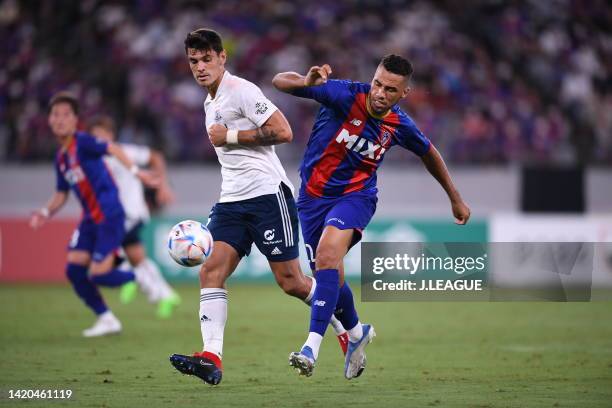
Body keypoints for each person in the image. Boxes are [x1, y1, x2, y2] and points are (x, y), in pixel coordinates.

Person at [272, 54, 471, 378]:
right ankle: (356, 333)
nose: (380, 93)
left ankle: (311, 347)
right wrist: (306, 82)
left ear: (403, 93)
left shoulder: (399, 124)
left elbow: (429, 153)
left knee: (326, 256)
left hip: (356, 197)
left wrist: (455, 198)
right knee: (330, 275)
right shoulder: (343, 94)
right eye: (378, 83)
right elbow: (280, 82)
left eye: (391, 89)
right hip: (311, 199)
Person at [168, 28, 347, 386]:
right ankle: (211, 357)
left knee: (292, 282)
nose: (200, 67)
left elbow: (283, 131)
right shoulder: (210, 102)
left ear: (222, 58)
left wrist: (230, 136)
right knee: (210, 272)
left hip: (268, 196)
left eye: (207, 59)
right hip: (231, 200)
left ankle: (348, 328)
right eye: (193, 61)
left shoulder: (242, 91)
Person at [30, 92, 158, 337]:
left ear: (75, 120)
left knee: (98, 275)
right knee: (74, 271)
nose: (60, 120)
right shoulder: (61, 159)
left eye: (66, 115)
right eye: (55, 115)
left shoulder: (84, 142)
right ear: (49, 120)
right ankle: (107, 319)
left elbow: (112, 147)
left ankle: (138, 276)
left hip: (110, 215)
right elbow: (61, 193)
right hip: (90, 220)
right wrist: (45, 211)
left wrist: (135, 171)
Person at [87, 115, 180, 319]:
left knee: (110, 253)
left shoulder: (124, 152)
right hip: (113, 216)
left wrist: (162, 184)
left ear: (111, 135)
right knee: (137, 258)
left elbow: (155, 157)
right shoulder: (92, 160)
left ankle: (132, 280)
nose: (98, 140)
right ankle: (165, 295)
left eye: (101, 135)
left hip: (129, 213)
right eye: (93, 136)